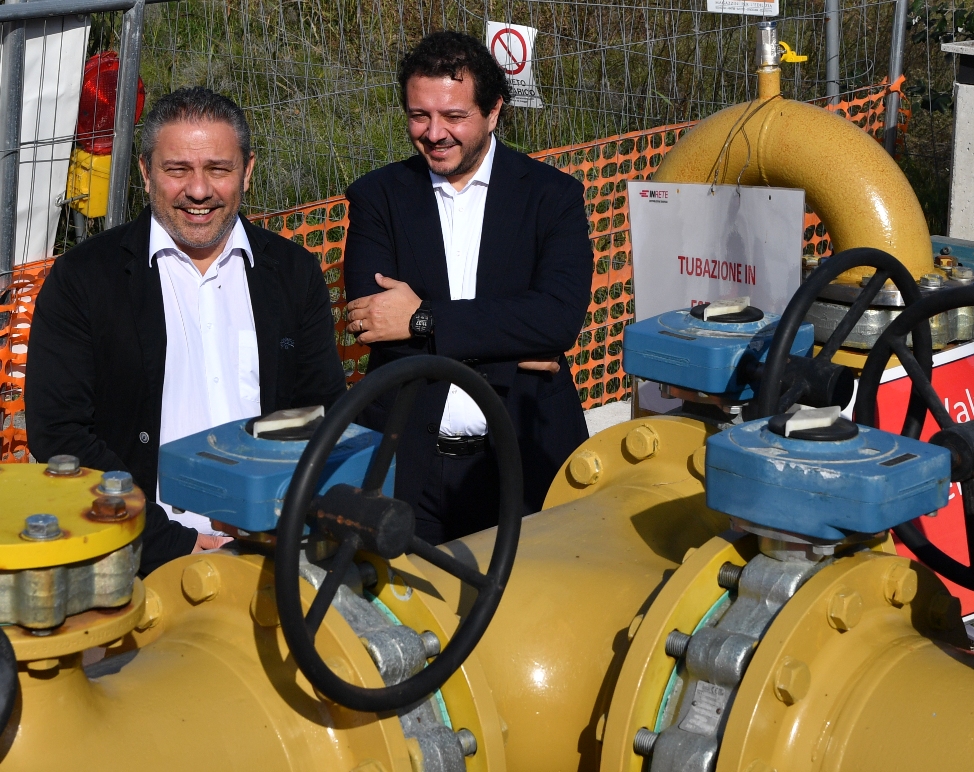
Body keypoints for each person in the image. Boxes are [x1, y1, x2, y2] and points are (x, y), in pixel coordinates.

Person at [25, 87, 347, 574]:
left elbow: (319, 411)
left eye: (218, 169)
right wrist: (167, 541)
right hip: (136, 558)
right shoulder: (84, 280)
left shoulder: (293, 273)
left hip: (274, 551)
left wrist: (282, 527)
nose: (198, 191)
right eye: (177, 170)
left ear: (248, 171)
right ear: (145, 172)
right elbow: (60, 434)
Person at [344, 31, 592, 543]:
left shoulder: (552, 196)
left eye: (454, 116)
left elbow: (557, 319)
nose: (434, 133)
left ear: (493, 111)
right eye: (419, 115)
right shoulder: (378, 197)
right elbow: (374, 322)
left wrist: (422, 320)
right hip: (408, 464)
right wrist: (513, 350)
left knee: (525, 589)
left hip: (525, 457)